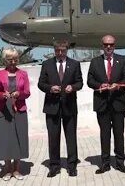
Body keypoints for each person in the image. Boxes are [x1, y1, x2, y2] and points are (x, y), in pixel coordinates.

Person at [38, 40, 83, 177]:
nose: (60, 53)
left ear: (67, 50)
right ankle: (54, 166)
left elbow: (79, 82)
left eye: (63, 50)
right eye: (57, 50)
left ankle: (72, 165)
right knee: (53, 137)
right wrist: (50, 88)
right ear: (54, 50)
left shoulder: (75, 64)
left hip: (69, 106)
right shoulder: (46, 64)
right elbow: (41, 83)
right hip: (52, 107)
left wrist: (73, 87)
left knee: (71, 137)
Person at [87, 35, 125, 174]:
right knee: (104, 135)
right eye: (106, 44)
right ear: (102, 46)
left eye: (111, 44)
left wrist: (118, 85)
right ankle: (105, 163)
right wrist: (99, 85)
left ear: (114, 45)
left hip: (118, 103)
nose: (108, 47)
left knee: (119, 134)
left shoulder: (122, 60)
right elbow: (89, 80)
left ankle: (120, 162)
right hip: (102, 104)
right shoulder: (95, 62)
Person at [0, 47, 31, 181]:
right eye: (10, 60)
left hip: (19, 108)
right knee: (5, 139)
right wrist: (3, 94)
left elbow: (27, 92)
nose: (13, 62)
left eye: (15, 59)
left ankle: (17, 168)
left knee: (19, 137)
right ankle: (7, 169)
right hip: (4, 109)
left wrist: (19, 94)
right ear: (5, 60)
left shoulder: (23, 74)